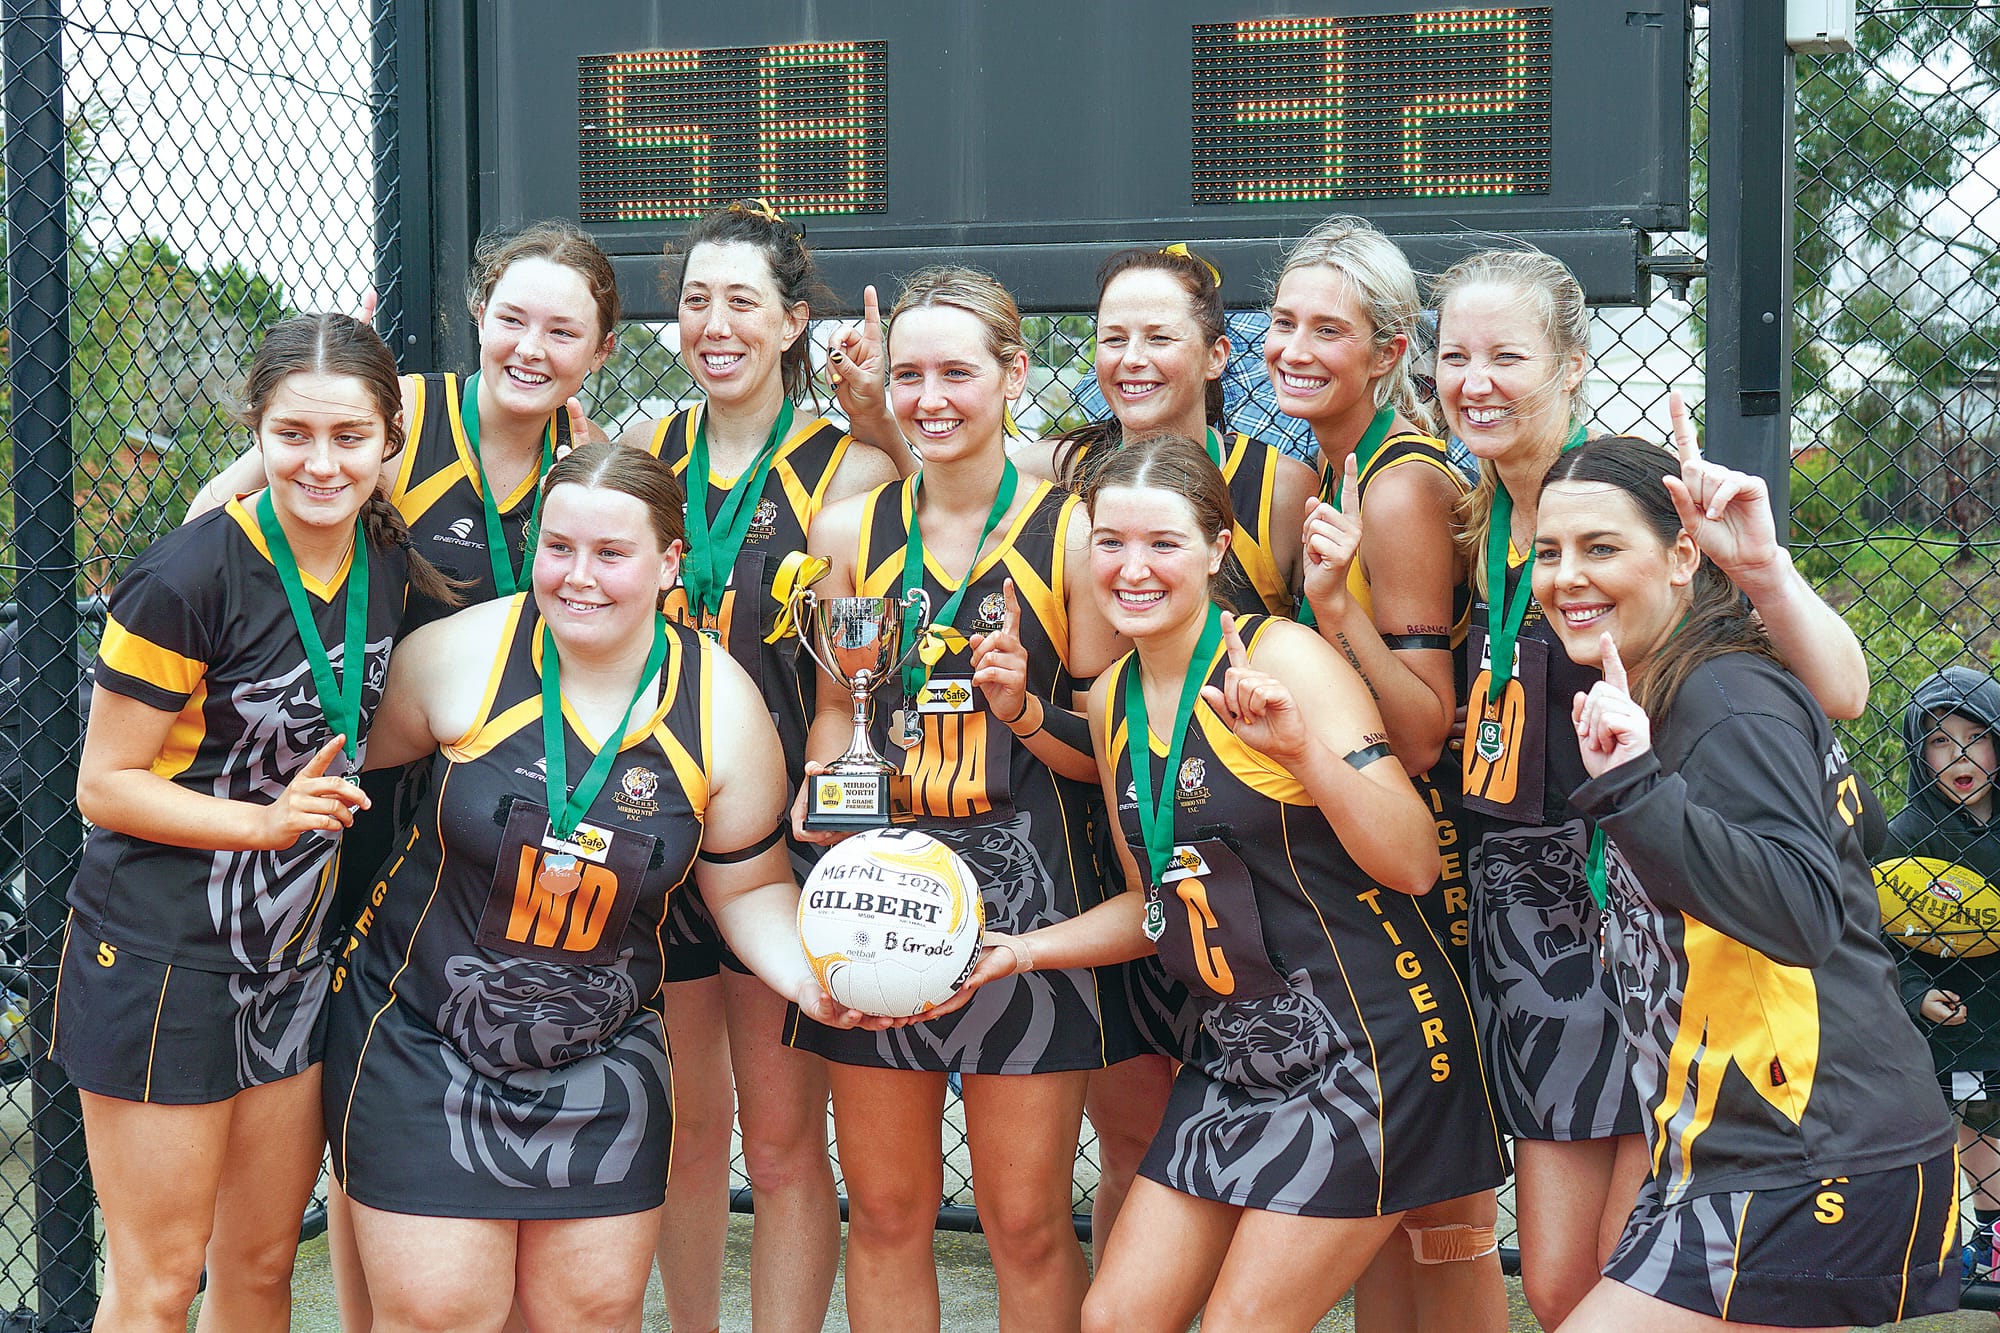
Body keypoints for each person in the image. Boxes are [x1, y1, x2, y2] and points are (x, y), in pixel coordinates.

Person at [932, 430, 1503, 1331]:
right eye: (1110, 543)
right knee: (1115, 1318)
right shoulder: (1115, 692)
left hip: (1368, 1046)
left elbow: (1414, 861)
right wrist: (1020, 951)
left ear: (1216, 550)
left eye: (1163, 543)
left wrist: (1304, 753)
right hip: (1238, 1050)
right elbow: (1155, 904)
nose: (1133, 568)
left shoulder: (1282, 659)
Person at [321, 440, 865, 1332]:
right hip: (425, 1034)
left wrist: (806, 974)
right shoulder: (459, 656)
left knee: (589, 1311)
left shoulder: (720, 706)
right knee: (442, 1308)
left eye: (611, 554)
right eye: (558, 547)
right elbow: (345, 780)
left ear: (667, 562)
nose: (579, 577)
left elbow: (748, 888)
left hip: (601, 1050)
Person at [1434, 246, 1874, 1330]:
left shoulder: (1647, 500)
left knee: (1639, 1270)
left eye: (1505, 354)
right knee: (1549, 1285)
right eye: (1453, 356)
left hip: (1650, 917)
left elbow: (1843, 690)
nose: (1474, 380)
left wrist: (1759, 565)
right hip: (1528, 918)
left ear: (1572, 364)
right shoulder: (1457, 515)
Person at [57, 314, 453, 1332]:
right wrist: (265, 823)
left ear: (388, 442)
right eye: (292, 435)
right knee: (156, 1280)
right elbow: (103, 786)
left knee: (264, 1262)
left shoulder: (388, 568)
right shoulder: (186, 575)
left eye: (350, 437)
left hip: (288, 963)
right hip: (158, 956)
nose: (321, 463)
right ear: (256, 433)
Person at [1537, 435, 1958, 1331]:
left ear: (1683, 553)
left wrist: (1637, 790)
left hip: (1810, 1154)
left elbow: (1805, 913)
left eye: (1601, 547)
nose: (1566, 575)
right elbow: (1861, 830)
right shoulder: (1695, 685)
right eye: (1549, 550)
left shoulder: (1721, 698)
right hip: (1753, 1149)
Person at [787, 266, 1127, 1332]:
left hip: (1026, 906)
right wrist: (828, 826)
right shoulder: (847, 530)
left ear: (1013, 374)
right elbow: (838, 717)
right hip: (881, 900)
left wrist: (1025, 711)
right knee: (885, 1211)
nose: (927, 398)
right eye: (907, 375)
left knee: (1023, 1220)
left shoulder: (1072, 531)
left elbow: (1106, 755)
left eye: (955, 372)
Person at [614, 199, 900, 1333]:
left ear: (793, 322)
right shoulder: (645, 450)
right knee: (687, 1134)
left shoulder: (853, 464)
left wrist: (877, 406)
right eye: (693, 301)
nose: (713, 324)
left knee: (781, 1145)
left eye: (742, 301)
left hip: (779, 846)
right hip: (655, 833)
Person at [1269, 216, 1502, 1332]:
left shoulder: (1399, 485)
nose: (1293, 347)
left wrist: (1328, 612)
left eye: (1328, 327)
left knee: (1444, 1205)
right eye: (1280, 322)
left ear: (1385, 347)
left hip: (1429, 870)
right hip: (1370, 860)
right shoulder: (1331, 461)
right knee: (1405, 1190)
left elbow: (1419, 731)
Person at [1885, 665, 2000, 1278]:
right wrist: (1914, 993)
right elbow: (1878, 941)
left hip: (1998, 1008)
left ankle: (1993, 1232)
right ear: (1917, 751)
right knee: (1949, 1123)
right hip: (1945, 1015)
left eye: (1975, 736)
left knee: (1991, 1129)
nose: (1958, 755)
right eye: (1937, 740)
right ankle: (1947, 1237)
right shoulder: (1903, 838)